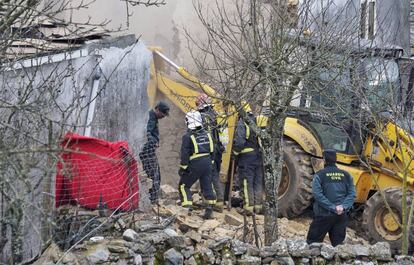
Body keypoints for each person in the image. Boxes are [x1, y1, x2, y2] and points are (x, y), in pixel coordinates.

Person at [306, 149, 356, 247]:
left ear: (324, 160)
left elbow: (318, 195)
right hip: (341, 216)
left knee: (312, 245)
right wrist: (343, 207)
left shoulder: (319, 175)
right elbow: (352, 194)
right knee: (338, 247)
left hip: (323, 215)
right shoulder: (346, 175)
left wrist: (333, 207)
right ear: (335, 160)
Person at [178, 110, 217, 219]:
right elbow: (213, 150)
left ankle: (186, 209)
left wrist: (183, 168)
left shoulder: (187, 136)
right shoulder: (208, 134)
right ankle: (210, 208)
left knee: (183, 186)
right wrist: (211, 163)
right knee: (207, 185)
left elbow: (185, 154)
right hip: (208, 162)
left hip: (195, 163)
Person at [195, 93, 225, 210]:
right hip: (217, 150)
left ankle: (209, 203)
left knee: (206, 176)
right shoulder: (215, 115)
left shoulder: (202, 116)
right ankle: (219, 202)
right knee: (215, 175)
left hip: (208, 150)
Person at [233, 103, 263, 214]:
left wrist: (234, 153)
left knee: (246, 183)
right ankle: (257, 207)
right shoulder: (256, 121)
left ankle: (248, 209)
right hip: (258, 157)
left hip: (247, 159)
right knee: (257, 182)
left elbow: (240, 142)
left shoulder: (243, 123)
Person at [139, 101, 170, 204]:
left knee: (156, 174)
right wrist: (153, 142)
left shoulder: (153, 117)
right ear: (157, 110)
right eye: (163, 114)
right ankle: (153, 200)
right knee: (154, 175)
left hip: (149, 151)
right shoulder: (151, 117)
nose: (163, 116)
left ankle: (153, 198)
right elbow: (147, 132)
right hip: (147, 152)